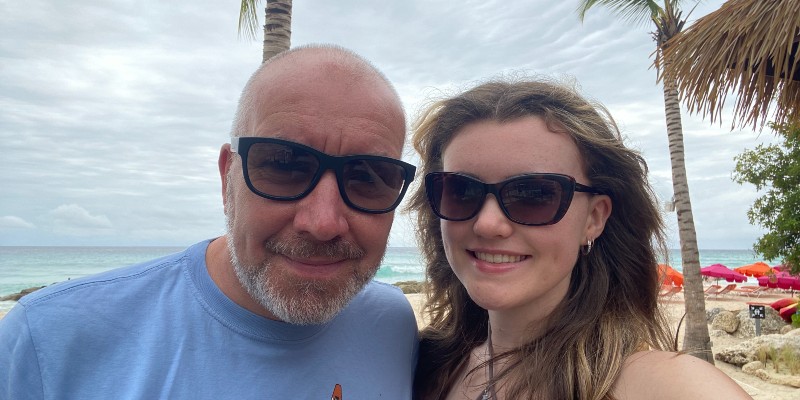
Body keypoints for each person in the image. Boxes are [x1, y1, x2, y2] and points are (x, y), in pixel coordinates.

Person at [0, 45, 419, 399]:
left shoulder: (392, 324)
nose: (323, 222)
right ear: (226, 178)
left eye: (367, 177)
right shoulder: (49, 341)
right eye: (285, 165)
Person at [408, 79, 752, 399]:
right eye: (461, 190)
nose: (487, 224)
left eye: (533, 194)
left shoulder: (662, 385)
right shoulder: (424, 366)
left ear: (594, 218)